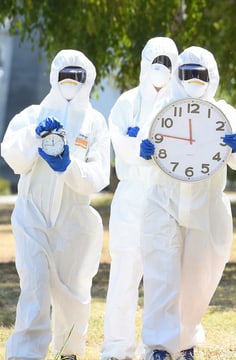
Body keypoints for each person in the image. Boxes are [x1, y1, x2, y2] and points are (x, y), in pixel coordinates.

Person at [137, 46, 236, 360]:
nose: (194, 80)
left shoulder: (224, 112)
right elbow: (143, 150)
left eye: (200, 75)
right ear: (177, 76)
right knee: (161, 275)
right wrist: (143, 150)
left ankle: (185, 342)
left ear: (211, 77)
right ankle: (158, 346)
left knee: (199, 279)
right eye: (187, 74)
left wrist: (235, 146)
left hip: (206, 206)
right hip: (164, 203)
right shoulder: (163, 108)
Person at [0, 49, 111, 360]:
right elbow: (12, 156)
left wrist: (68, 166)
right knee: (34, 287)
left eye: (77, 76)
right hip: (32, 216)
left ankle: (69, 351)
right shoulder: (31, 115)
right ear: (54, 77)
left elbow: (99, 175)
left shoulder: (95, 122)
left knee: (73, 292)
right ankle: (26, 354)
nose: (70, 82)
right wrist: (34, 140)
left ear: (87, 79)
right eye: (64, 75)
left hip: (74, 220)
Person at [101, 37, 179, 360]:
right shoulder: (127, 102)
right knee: (124, 274)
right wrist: (136, 149)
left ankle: (159, 346)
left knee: (164, 276)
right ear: (145, 62)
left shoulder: (180, 102)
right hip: (131, 198)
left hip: (166, 197)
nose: (160, 67)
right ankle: (117, 348)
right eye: (155, 59)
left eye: (166, 60)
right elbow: (117, 139)